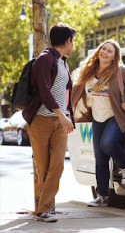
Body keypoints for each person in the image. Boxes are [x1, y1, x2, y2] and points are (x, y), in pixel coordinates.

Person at [71, 39, 125, 207]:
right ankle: (101, 195)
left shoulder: (120, 71)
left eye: (109, 51)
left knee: (108, 143)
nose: (105, 52)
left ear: (114, 57)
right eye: (103, 49)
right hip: (98, 118)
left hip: (117, 116)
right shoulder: (89, 72)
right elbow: (79, 92)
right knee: (100, 158)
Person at [22, 22, 77, 222]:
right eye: (73, 41)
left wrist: (67, 114)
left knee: (58, 166)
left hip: (59, 121)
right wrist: (61, 114)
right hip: (41, 120)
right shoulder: (45, 59)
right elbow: (45, 91)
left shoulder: (63, 62)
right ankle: (45, 209)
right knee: (43, 166)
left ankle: (44, 207)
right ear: (68, 40)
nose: (73, 46)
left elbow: (65, 93)